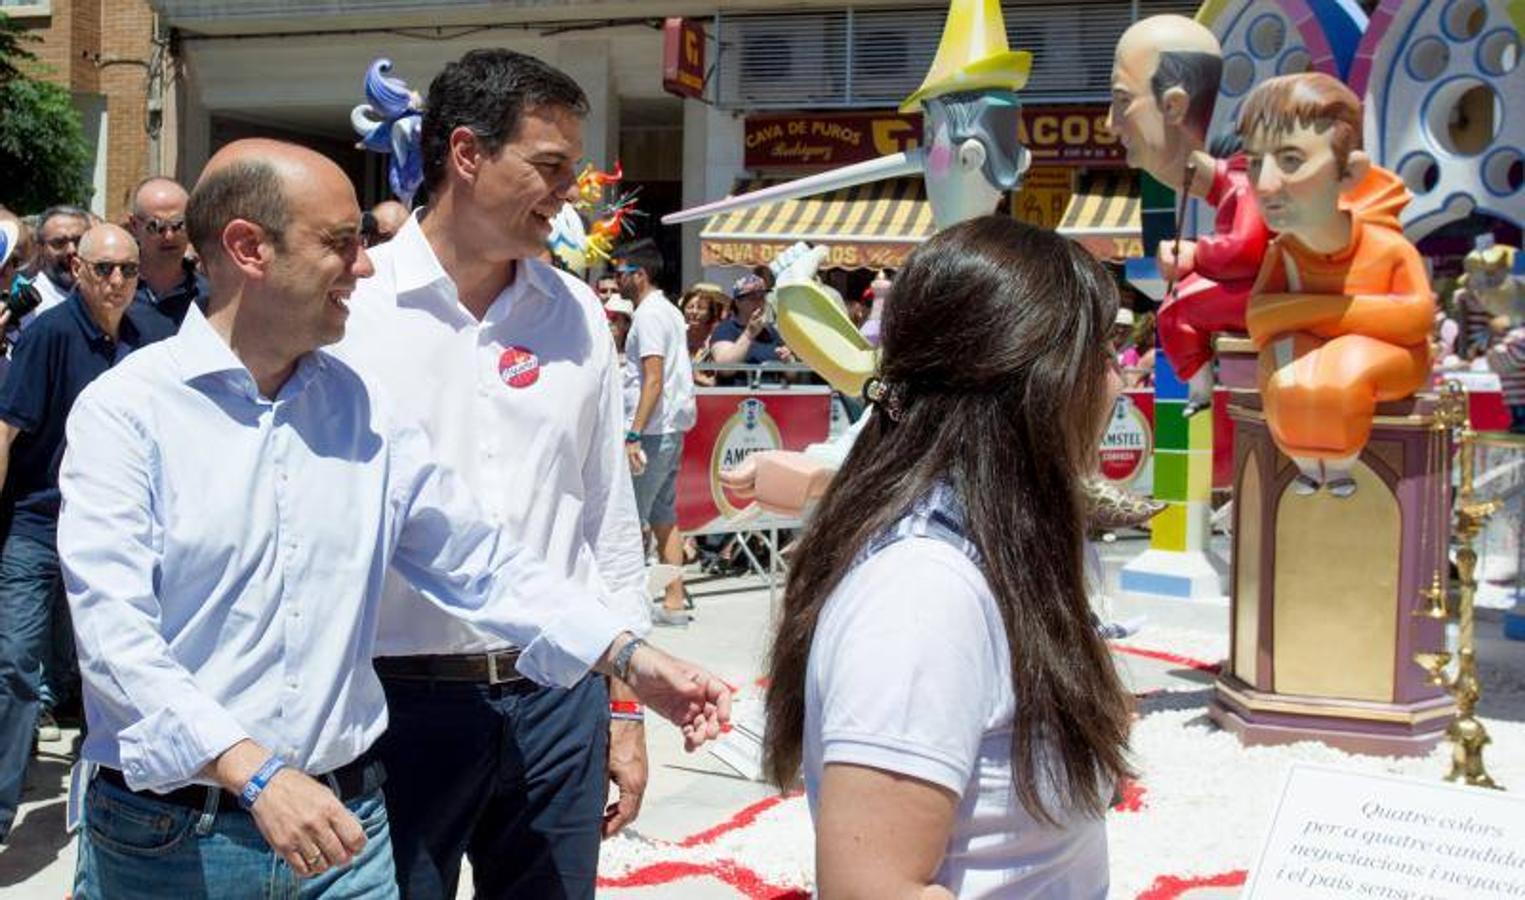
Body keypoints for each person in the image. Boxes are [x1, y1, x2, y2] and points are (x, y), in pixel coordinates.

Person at [61, 138, 727, 898]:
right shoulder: (127, 413)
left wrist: (628, 657)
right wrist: (255, 773)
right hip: (174, 847)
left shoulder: (364, 408)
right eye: (340, 245)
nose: (366, 267)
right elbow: (116, 642)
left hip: (348, 836)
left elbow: (478, 561)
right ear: (249, 248)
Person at [337, 49, 666, 899]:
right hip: (392, 712)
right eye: (549, 167)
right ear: (467, 154)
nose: (568, 192)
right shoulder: (350, 317)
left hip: (557, 703)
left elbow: (606, 520)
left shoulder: (579, 316)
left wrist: (621, 707)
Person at [762, 216, 1133, 898]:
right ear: (1038, 379)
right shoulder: (922, 597)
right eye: (1104, 353)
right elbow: (872, 887)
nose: (1117, 383)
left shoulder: (991, 553)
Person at [0, 223, 175, 843]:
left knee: (110, 666)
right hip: (39, 524)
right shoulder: (48, 333)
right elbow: (7, 431)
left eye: (128, 270)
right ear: (78, 271)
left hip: (121, 530)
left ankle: (102, 793)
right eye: (104, 270)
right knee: (17, 662)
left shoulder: (156, 337)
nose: (118, 282)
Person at [1240, 73, 1433, 497]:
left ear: (1349, 173)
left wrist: (1312, 319)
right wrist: (1346, 315)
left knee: (1344, 364)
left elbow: (1416, 318)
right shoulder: (1284, 254)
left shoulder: (1386, 247)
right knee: (1287, 369)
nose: (1265, 184)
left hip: (1394, 365)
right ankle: (1309, 465)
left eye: (1291, 160)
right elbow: (1257, 321)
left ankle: (1343, 466)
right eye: (1255, 162)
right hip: (1304, 376)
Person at [1108, 14, 1271, 416]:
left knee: (1178, 305)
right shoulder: (1231, 187)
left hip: (1269, 293)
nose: (1110, 123)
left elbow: (1247, 248)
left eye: (1123, 101)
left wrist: (1194, 255)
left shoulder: (1241, 183)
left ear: (1174, 105)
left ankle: (1199, 390)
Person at [615, 239, 697, 628]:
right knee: (665, 517)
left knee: (633, 522)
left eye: (621, 272)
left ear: (639, 275)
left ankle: (632, 607)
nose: (615, 280)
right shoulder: (667, 311)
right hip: (668, 429)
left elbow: (653, 378)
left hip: (650, 431)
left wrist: (632, 434)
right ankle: (674, 601)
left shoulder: (649, 316)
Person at [129, 176, 210, 327]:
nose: (169, 236)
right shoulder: (116, 293)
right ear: (134, 226)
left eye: (178, 225)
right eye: (156, 226)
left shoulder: (209, 298)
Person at [709, 273, 793, 384]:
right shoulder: (725, 329)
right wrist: (749, 334)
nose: (759, 303)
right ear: (738, 302)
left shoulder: (770, 331)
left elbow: (792, 376)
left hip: (771, 398)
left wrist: (787, 360)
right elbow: (725, 369)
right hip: (735, 398)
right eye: (752, 298)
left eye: (762, 297)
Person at [26, 206, 90, 322]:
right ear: (40, 248)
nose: (72, 250)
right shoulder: (29, 310)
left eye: (79, 241)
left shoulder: (105, 297)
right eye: (59, 243)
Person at [680, 282, 725, 388]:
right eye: (690, 307)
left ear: (710, 313)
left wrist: (697, 377)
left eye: (701, 308)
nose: (694, 312)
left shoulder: (717, 340)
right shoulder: (677, 337)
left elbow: (719, 383)